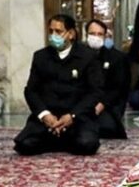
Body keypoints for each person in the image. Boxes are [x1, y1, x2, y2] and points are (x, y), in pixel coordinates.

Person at [14, 14, 102, 156]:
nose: (53, 35)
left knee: (87, 145)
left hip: (77, 118)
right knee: (24, 145)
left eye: (58, 31)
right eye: (51, 31)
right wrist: (45, 115)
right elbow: (31, 91)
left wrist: (72, 116)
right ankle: (58, 136)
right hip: (48, 118)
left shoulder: (88, 56)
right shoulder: (41, 56)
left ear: (71, 34)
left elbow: (95, 92)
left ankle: (59, 138)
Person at [85, 19, 129, 139]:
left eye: (99, 34)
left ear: (105, 36)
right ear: (86, 35)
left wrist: (101, 105)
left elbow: (117, 88)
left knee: (107, 128)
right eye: (92, 34)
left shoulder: (116, 58)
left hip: (106, 105)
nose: (96, 37)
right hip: (82, 104)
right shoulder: (78, 56)